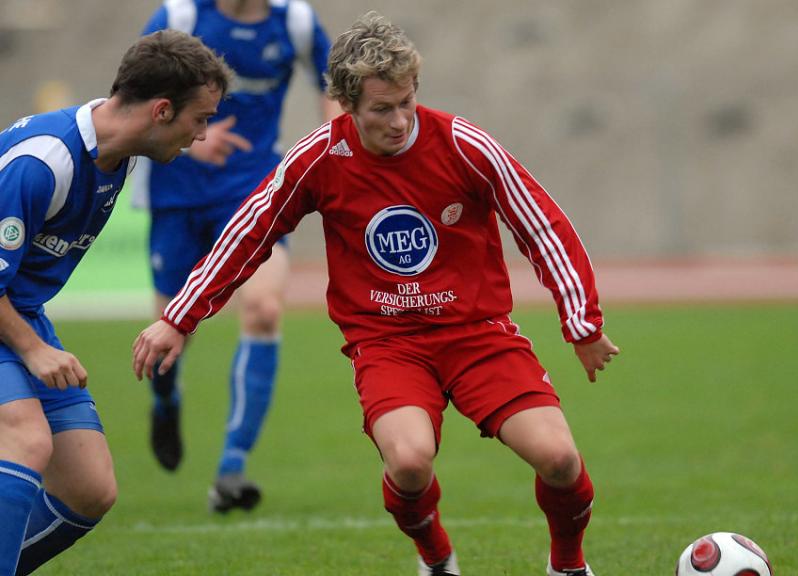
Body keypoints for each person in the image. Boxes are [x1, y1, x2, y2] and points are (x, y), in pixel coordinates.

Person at [133, 11, 620, 576]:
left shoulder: (464, 146)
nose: (398, 121)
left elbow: (542, 226)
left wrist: (581, 323)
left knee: (559, 458)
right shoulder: (319, 157)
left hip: (476, 335)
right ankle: (436, 559)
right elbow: (248, 235)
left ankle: (568, 566)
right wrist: (179, 318)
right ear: (345, 105)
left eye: (407, 102)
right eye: (381, 109)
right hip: (387, 344)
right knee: (410, 462)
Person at [0, 30, 232, 576]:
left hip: (17, 312)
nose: (202, 135)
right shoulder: (45, 162)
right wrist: (34, 351)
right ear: (161, 110)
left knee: (89, 488)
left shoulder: (119, 157)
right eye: (200, 119)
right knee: (25, 438)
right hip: (13, 320)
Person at [132, 0, 340, 513]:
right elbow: (130, 97)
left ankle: (231, 468)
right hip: (178, 193)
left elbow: (335, 84)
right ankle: (165, 402)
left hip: (256, 190)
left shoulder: (293, 21)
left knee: (265, 310)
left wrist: (337, 148)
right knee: (167, 331)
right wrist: (186, 140)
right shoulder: (178, 17)